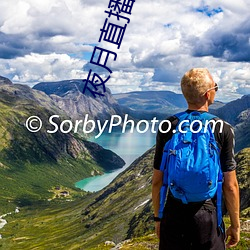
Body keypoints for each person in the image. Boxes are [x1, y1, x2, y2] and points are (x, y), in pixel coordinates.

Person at [152, 68, 240, 250]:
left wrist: (158, 218)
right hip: (207, 215)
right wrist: (235, 225)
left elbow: (157, 181)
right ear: (208, 94)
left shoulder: (168, 125)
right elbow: (230, 185)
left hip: (174, 212)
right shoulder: (222, 129)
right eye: (216, 87)